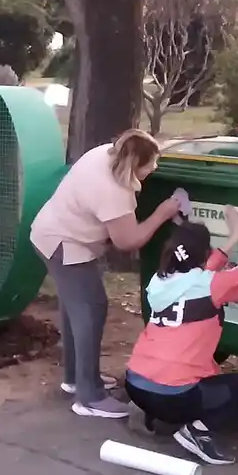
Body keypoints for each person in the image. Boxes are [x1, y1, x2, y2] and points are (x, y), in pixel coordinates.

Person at [29, 129, 183, 419]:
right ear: (132, 163)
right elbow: (128, 242)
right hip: (64, 244)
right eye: (150, 164)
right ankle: (89, 396)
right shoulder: (114, 191)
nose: (154, 169)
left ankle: (77, 378)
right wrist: (162, 214)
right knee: (90, 309)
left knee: (76, 309)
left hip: (52, 233)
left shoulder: (105, 153)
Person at [125, 207, 238, 465]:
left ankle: (150, 413)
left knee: (190, 382)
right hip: (175, 396)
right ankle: (197, 431)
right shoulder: (211, 286)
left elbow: (200, 276)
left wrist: (232, 238)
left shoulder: (160, 281)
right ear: (202, 254)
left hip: (135, 385)